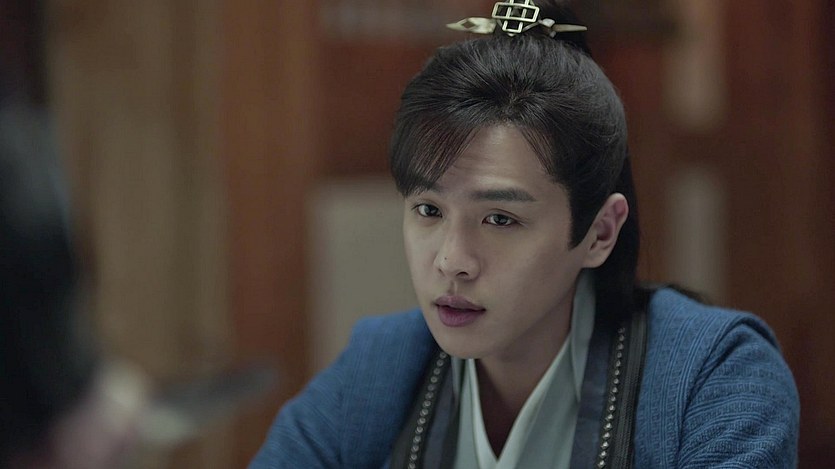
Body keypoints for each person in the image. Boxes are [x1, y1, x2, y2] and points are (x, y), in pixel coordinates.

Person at [250, 1, 799, 467]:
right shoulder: (381, 366)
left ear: (599, 232)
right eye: (428, 210)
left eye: (500, 219)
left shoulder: (715, 373)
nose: (452, 261)